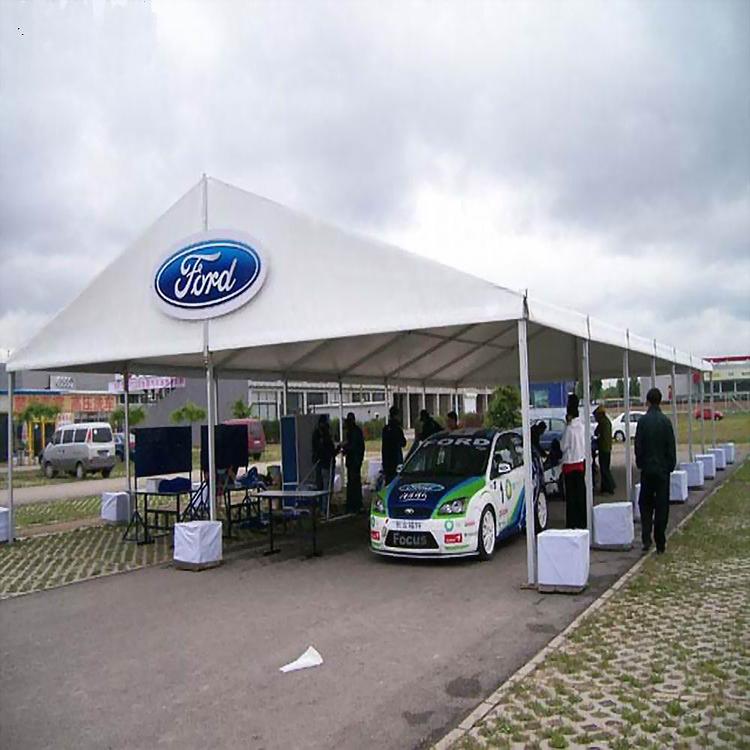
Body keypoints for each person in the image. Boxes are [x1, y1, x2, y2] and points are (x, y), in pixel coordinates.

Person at [636, 387, 677, 554]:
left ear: (647, 401)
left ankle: (646, 538)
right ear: (660, 401)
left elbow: (638, 446)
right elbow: (671, 447)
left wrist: (641, 464)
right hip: (662, 471)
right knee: (662, 506)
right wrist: (670, 466)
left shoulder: (642, 422)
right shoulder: (666, 422)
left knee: (645, 504)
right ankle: (660, 540)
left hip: (647, 470)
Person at [560, 393, 587, 528]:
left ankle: (572, 522)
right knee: (581, 494)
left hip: (569, 465)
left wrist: (566, 425)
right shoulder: (582, 427)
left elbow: (563, 446)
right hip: (581, 463)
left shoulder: (569, 429)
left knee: (571, 496)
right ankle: (582, 521)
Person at [342, 412, 365, 513]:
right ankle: (354, 504)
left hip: (354, 461)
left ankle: (354, 504)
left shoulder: (354, 432)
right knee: (353, 483)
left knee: (353, 483)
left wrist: (345, 448)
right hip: (354, 461)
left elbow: (353, 446)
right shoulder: (355, 431)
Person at [312, 415, 338, 491]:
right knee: (325, 487)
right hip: (324, 464)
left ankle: (325, 498)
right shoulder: (320, 435)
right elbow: (326, 450)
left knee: (326, 486)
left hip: (325, 463)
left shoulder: (323, 434)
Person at [381, 406, 406, 484]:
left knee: (388, 482)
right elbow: (403, 443)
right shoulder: (397, 429)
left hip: (387, 460)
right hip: (396, 459)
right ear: (396, 415)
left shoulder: (385, 429)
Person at [594, 405, 615, 495]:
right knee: (604, 468)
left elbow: (597, 433)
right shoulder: (606, 422)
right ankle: (604, 488)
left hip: (604, 448)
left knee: (604, 469)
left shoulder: (603, 423)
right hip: (607, 448)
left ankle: (611, 486)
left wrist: (597, 442)